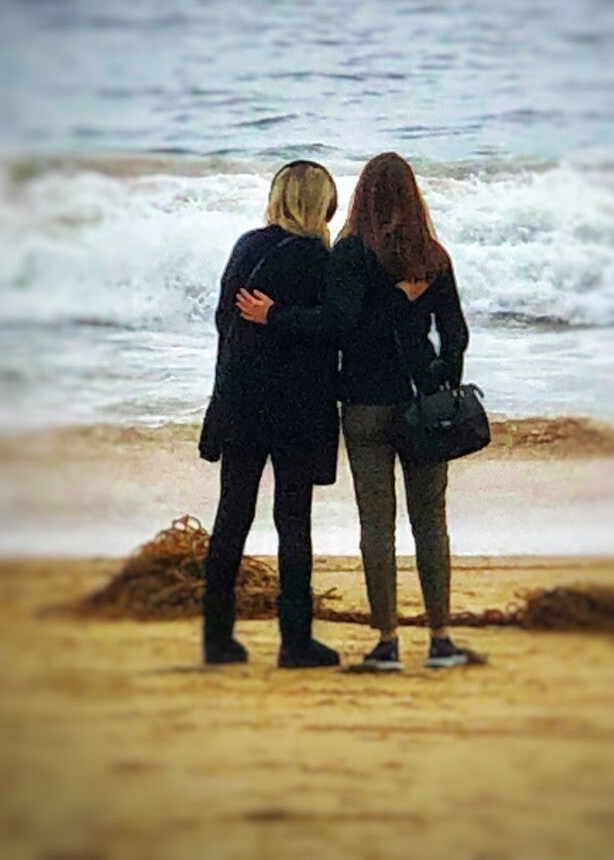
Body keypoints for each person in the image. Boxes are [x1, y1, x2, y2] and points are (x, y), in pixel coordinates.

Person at [237, 152, 486, 671]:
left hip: (366, 404)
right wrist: (441, 380)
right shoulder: (431, 255)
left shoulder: (350, 252)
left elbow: (337, 324)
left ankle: (388, 644)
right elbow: (457, 335)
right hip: (422, 407)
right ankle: (440, 640)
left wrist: (275, 315)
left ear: (362, 194)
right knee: (430, 524)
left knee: (377, 525)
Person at [199, 160, 341, 669]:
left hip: (240, 400)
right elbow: (332, 330)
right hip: (296, 409)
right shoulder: (320, 260)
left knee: (232, 515)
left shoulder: (246, 245)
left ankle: (217, 639)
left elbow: (223, 319)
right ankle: (295, 641)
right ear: (321, 203)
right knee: (293, 520)